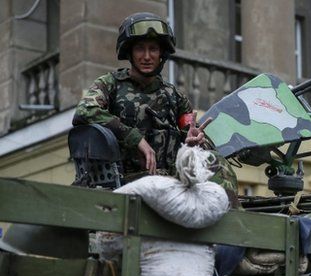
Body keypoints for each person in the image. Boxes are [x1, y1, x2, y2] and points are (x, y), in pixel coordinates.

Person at [72, 12, 238, 201]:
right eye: (140, 49)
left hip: (171, 181)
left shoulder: (174, 96)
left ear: (162, 54)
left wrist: (195, 143)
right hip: (126, 182)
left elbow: (192, 132)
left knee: (217, 164)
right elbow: (85, 111)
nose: (147, 56)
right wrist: (134, 138)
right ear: (129, 52)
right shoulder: (110, 85)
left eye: (153, 49)